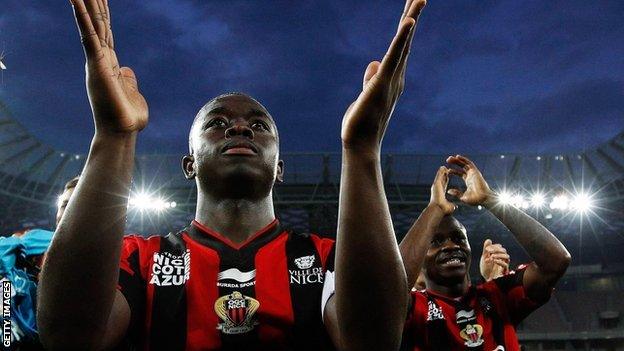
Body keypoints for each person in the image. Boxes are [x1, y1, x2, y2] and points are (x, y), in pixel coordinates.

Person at [37, 0, 427, 349]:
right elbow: (70, 337)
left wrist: (362, 150)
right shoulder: (140, 258)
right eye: (218, 122)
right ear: (189, 165)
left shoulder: (326, 258)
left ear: (279, 169)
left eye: (259, 126)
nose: (239, 128)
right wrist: (113, 136)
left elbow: (372, 340)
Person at [399, 155, 571, 350]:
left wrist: (491, 200)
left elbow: (556, 261)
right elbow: (390, 288)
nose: (451, 246)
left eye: (458, 238)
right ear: (420, 258)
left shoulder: (497, 295)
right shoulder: (412, 309)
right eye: (436, 242)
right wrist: (434, 209)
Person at [0, 176, 78, 349]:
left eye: (78, 205)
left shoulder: (118, 260)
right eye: (65, 205)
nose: (69, 212)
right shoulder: (34, 240)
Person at [412, 239, 510, 291]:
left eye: (459, 239)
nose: (451, 246)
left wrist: (495, 284)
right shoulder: (410, 307)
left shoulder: (476, 301)